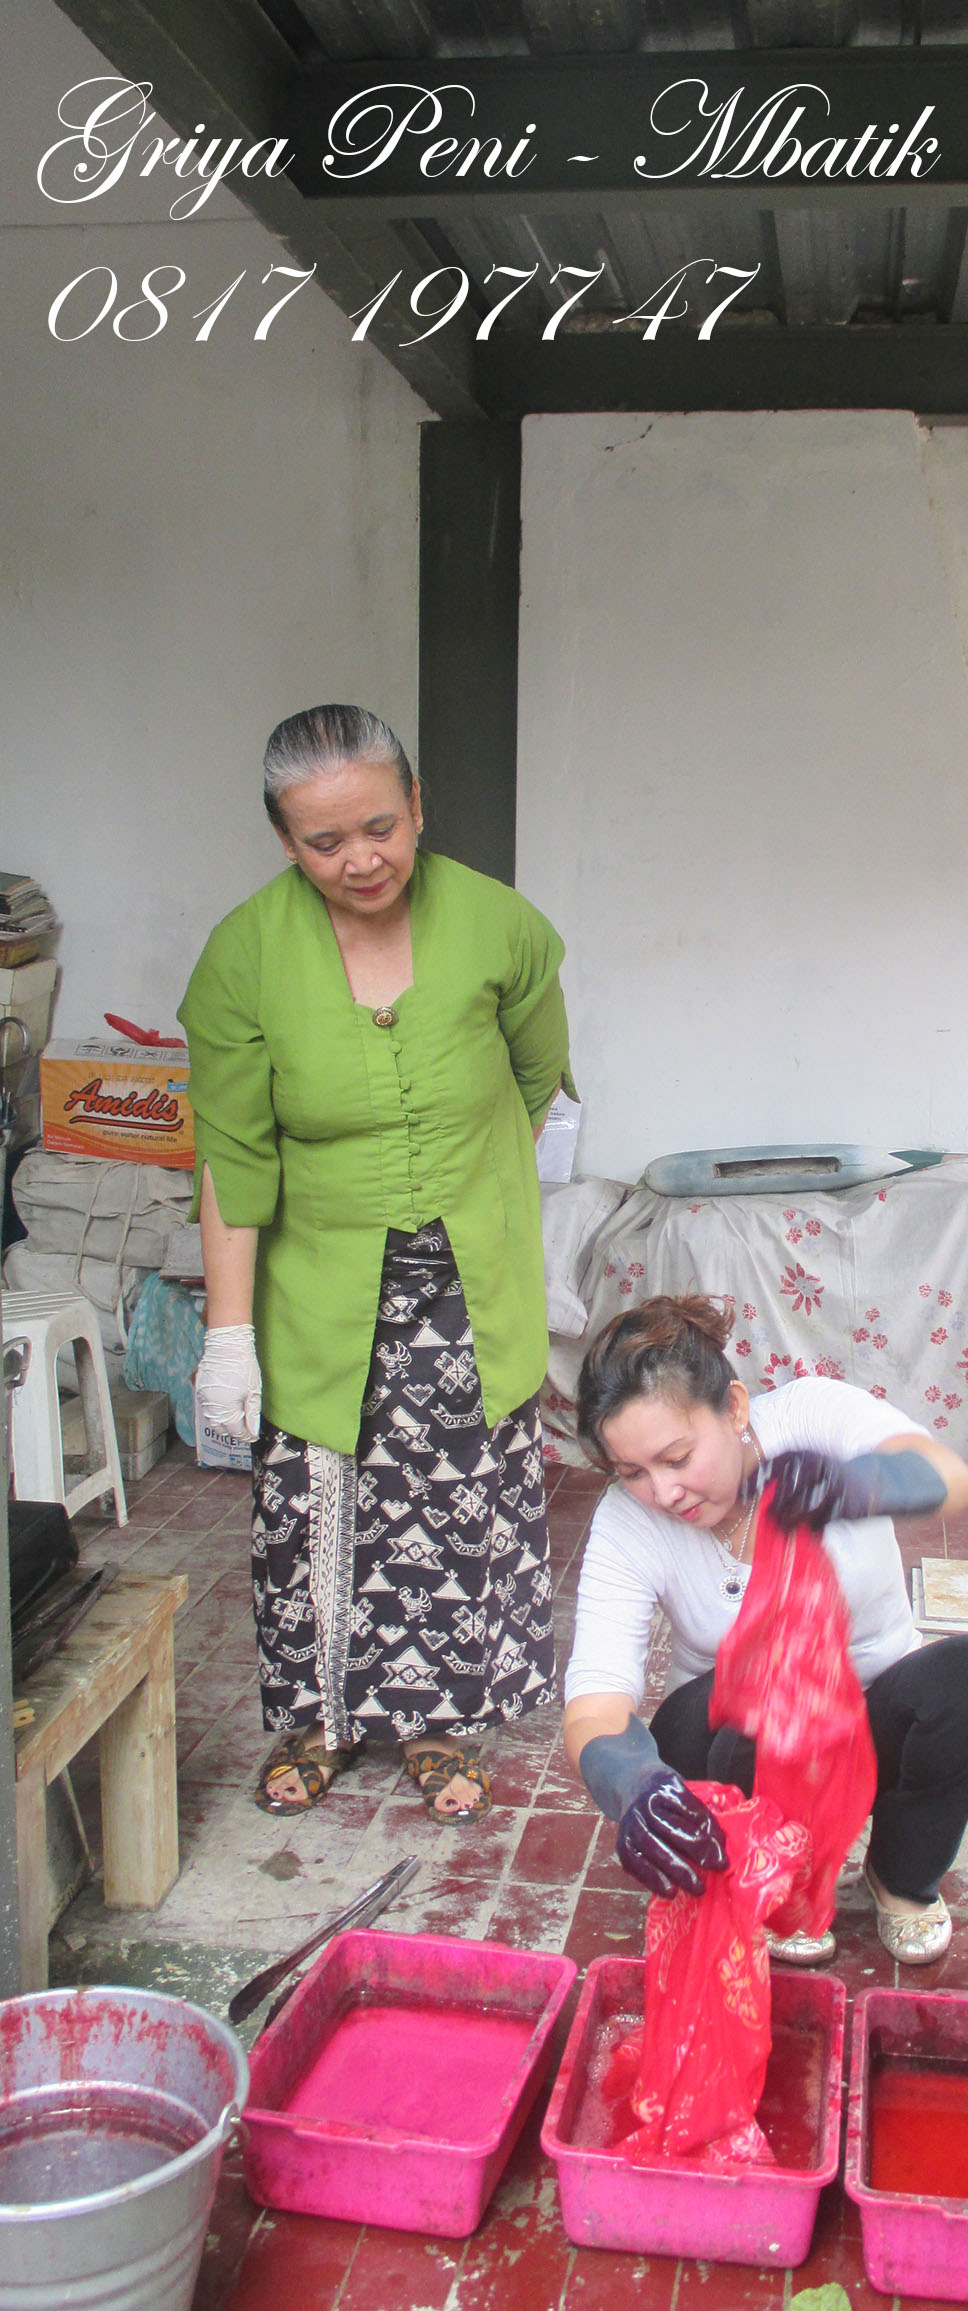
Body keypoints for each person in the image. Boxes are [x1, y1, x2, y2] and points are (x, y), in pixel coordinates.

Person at [180, 704, 574, 1823]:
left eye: (380, 827)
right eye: (324, 841)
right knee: (315, 1500)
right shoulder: (244, 956)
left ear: (417, 807)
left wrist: (474, 1182)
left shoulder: (499, 926)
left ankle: (436, 1721)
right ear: (283, 841)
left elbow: (536, 1079)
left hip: (468, 1282)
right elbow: (232, 1158)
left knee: (454, 1503)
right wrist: (226, 1334)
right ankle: (318, 1718)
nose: (360, 859)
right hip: (319, 1285)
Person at [563, 1296, 968, 1964]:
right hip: (737, 1746)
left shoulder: (810, 1416)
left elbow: (951, 1477)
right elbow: (595, 1700)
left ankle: (901, 1871)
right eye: (633, 1472)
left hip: (871, 1716)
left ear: (734, 1408)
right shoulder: (627, 1522)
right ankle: (781, 1883)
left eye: (677, 1457)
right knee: (755, 1699)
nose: (664, 1492)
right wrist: (631, 1783)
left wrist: (855, 1485)